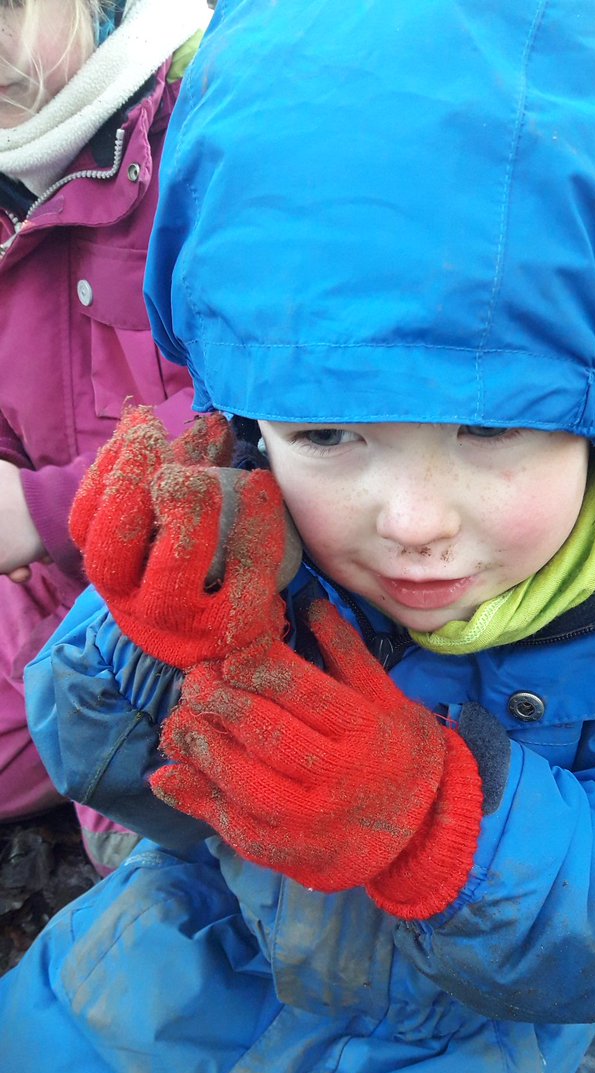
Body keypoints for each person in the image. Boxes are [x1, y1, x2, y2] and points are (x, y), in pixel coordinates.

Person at [2, 0, 595, 1073]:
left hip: (451, 1066)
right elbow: (114, 784)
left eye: (491, 427)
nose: (411, 520)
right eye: (328, 430)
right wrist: (147, 644)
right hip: (186, 954)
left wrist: (442, 828)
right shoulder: (246, 519)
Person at [0, 0, 209, 872]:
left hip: (232, 587)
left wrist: (45, 505)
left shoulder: (213, 126)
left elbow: (297, 411)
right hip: (65, 584)